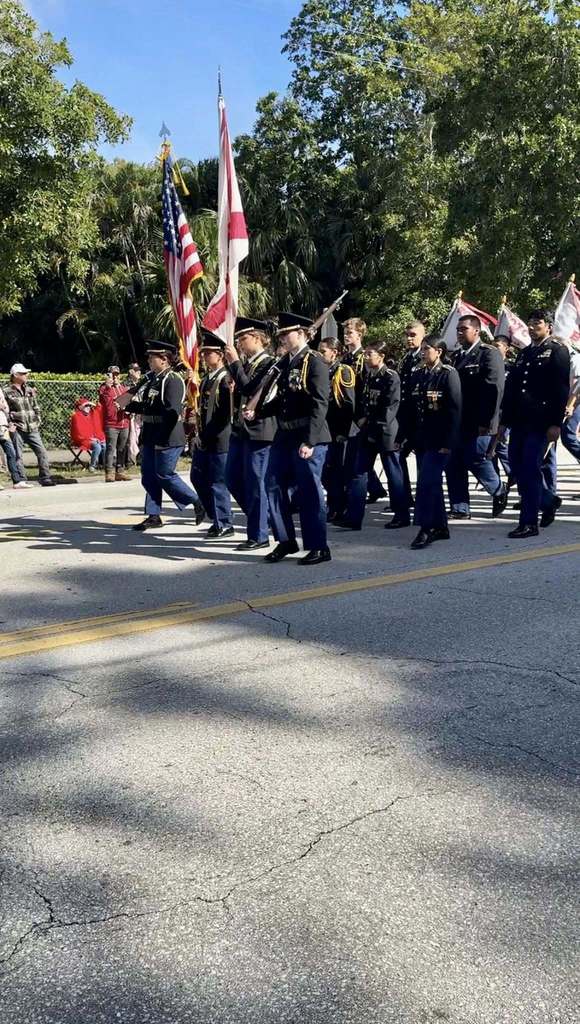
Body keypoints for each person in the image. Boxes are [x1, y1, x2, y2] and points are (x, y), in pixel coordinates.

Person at [264, 312, 331, 565]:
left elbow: (320, 403)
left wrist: (310, 441)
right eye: (280, 334)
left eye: (286, 333)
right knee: (272, 483)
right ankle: (286, 540)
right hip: (285, 435)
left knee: (309, 493)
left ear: (301, 333)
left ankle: (319, 546)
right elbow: (282, 400)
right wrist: (258, 412)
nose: (282, 337)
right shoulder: (286, 362)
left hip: (306, 435)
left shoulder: (314, 361)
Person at [500, 309, 570, 538]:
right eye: (530, 323)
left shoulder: (557, 351)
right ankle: (548, 501)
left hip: (540, 422)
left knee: (529, 469)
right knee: (516, 467)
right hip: (519, 420)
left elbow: (560, 390)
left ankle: (529, 523)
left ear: (548, 326)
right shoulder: (524, 353)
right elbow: (513, 390)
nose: (532, 327)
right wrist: (504, 422)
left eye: (537, 323)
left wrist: (555, 423)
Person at [122, 341, 204, 532]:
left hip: (167, 435)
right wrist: (128, 405)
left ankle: (197, 501)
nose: (149, 361)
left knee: (165, 474)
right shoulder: (153, 379)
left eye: (153, 357)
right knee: (148, 476)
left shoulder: (172, 379)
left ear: (165, 360)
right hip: (150, 433)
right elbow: (148, 406)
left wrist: (161, 438)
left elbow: (172, 411)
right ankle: (153, 515)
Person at [338, 340, 408, 531]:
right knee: (359, 472)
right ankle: (353, 517)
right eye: (366, 354)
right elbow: (363, 401)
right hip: (368, 430)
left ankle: (401, 515)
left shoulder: (391, 377)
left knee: (394, 475)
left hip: (385, 433)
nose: (366, 357)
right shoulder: (369, 376)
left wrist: (375, 431)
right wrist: (360, 419)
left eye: (370, 354)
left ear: (381, 356)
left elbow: (390, 408)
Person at [223, 317, 278, 550]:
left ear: (257, 338)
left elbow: (251, 388)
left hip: (260, 431)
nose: (240, 344)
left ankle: (258, 534)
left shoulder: (269, 363)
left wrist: (234, 363)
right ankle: (264, 521)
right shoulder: (247, 364)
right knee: (232, 478)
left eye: (243, 339)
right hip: (241, 430)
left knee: (256, 484)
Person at [446, 315, 507, 519]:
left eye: (464, 329)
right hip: (458, 421)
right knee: (454, 461)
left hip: (481, 421)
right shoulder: (455, 357)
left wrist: (487, 422)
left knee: (475, 458)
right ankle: (460, 507)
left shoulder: (488, 354)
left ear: (476, 331)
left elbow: (494, 390)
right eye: (458, 329)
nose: (459, 333)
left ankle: (498, 488)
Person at [410, 336, 462, 549]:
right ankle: (441, 527)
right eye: (421, 349)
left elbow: (454, 410)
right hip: (423, 439)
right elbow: (413, 409)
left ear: (439, 351)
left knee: (426, 483)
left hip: (441, 440)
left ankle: (426, 528)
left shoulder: (448, 374)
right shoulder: (419, 374)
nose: (423, 352)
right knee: (432, 484)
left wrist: (448, 442)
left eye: (427, 349)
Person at [191, 332, 234, 539]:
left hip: (219, 438)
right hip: (205, 436)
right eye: (204, 353)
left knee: (218, 483)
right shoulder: (207, 379)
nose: (204, 357)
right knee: (198, 477)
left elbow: (224, 414)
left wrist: (206, 435)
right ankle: (214, 515)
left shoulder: (226, 379)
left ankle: (224, 522)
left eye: (209, 353)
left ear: (220, 355)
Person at [318, 338, 356, 521]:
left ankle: (338, 507)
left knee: (337, 472)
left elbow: (348, 404)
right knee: (327, 472)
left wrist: (343, 432)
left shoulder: (344, 371)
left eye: (323, 351)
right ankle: (335, 505)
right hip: (325, 428)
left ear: (334, 352)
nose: (320, 354)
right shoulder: (321, 370)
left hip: (338, 429)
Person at [4, 363, 54, 486]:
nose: (27, 375)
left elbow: (36, 407)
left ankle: (45, 477)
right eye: (23, 373)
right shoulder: (6, 391)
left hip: (32, 427)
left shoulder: (29, 390)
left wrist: (38, 420)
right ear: (15, 375)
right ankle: (21, 479)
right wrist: (10, 424)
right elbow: (5, 410)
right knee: (17, 455)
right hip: (17, 428)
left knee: (42, 452)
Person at [397, 320, 426, 507]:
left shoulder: (425, 358)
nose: (409, 338)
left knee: (423, 462)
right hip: (405, 418)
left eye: (413, 335)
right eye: (407, 335)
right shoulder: (406, 358)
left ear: (423, 335)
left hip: (421, 418)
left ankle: (424, 499)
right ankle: (404, 497)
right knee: (398, 455)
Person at [99, 366, 131, 483]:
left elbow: (128, 401)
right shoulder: (104, 389)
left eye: (117, 374)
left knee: (122, 448)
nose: (115, 377)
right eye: (113, 375)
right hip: (112, 424)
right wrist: (108, 387)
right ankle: (109, 472)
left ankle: (120, 470)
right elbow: (106, 404)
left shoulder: (123, 388)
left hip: (124, 422)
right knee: (111, 448)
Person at [0, 384, 32, 488]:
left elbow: (5, 409)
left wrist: (9, 423)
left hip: (3, 425)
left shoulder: (0, 389)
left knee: (11, 453)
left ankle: (17, 481)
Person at [69, 398, 106, 473]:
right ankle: (92, 466)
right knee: (97, 446)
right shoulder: (76, 416)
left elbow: (99, 410)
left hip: (93, 438)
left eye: (89, 406)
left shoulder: (92, 414)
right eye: (86, 406)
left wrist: (98, 438)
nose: (89, 407)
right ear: (80, 407)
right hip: (82, 439)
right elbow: (78, 433)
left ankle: (105, 465)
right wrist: (91, 439)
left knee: (104, 445)